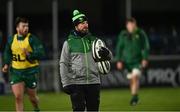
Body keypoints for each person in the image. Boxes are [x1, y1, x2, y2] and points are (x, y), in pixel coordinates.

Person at [59, 10, 111, 112]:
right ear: (76, 25)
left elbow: (109, 57)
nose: (85, 25)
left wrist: (107, 53)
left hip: (94, 82)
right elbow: (63, 63)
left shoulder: (95, 41)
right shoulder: (68, 43)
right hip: (76, 83)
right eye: (82, 23)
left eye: (86, 23)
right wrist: (65, 83)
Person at [2, 17, 45, 111]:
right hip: (16, 72)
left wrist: (30, 55)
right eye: (23, 26)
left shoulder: (32, 39)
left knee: (32, 98)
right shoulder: (11, 40)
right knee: (18, 97)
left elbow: (41, 53)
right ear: (17, 28)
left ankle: (36, 108)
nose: (26, 28)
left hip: (30, 71)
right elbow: (7, 53)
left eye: (27, 26)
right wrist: (6, 64)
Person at [115, 18, 150, 106]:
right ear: (126, 26)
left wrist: (145, 58)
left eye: (132, 24)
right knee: (132, 80)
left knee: (135, 78)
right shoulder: (123, 34)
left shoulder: (140, 33)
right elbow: (119, 47)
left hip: (137, 61)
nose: (130, 26)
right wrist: (118, 60)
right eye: (128, 25)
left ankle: (134, 99)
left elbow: (146, 46)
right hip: (127, 62)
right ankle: (136, 97)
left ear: (135, 24)